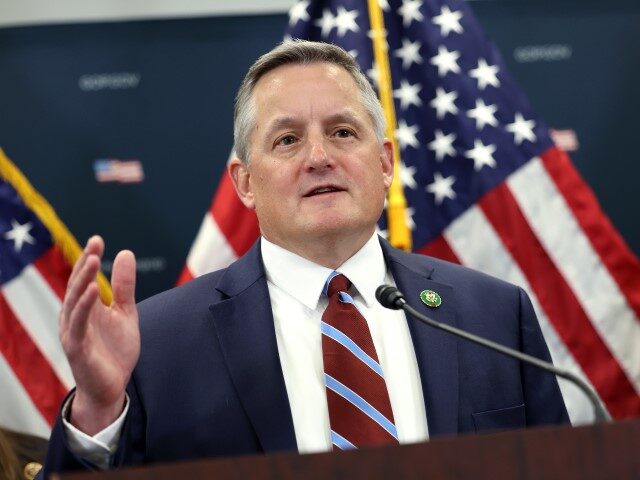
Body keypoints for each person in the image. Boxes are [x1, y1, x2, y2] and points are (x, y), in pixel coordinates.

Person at [42, 40, 568, 475]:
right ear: (245, 183)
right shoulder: (157, 345)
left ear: (384, 162)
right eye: (288, 140)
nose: (319, 157)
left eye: (342, 132)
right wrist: (97, 412)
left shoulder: (494, 317)